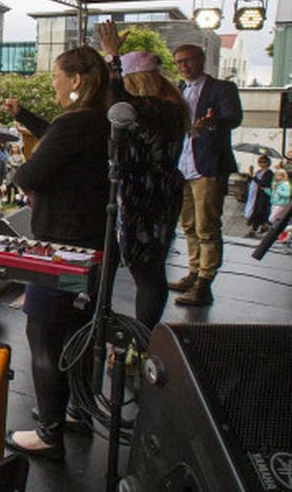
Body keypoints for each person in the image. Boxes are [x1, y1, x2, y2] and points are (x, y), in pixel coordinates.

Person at [1, 44, 111, 461]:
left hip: (60, 251)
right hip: (91, 246)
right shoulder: (101, 121)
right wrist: (25, 117)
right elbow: (59, 140)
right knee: (77, 330)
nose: (54, 86)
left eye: (56, 79)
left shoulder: (74, 122)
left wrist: (18, 169)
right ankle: (75, 411)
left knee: (45, 332)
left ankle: (48, 432)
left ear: (76, 81)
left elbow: (30, 174)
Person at [98, 23, 191, 330]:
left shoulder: (156, 109)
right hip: (159, 192)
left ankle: (141, 339)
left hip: (145, 193)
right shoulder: (171, 107)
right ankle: (142, 337)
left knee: (146, 270)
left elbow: (118, 105)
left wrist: (113, 56)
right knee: (147, 267)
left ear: (136, 81)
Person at [168, 43, 243, 306]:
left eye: (187, 61)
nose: (183, 66)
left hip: (208, 165)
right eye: (178, 62)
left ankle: (204, 281)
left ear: (200, 60)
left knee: (207, 226)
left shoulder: (221, 88)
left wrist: (215, 123)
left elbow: (234, 117)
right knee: (188, 224)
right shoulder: (179, 90)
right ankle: (193, 271)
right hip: (183, 165)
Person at [245, 155, 274, 236]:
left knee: (260, 212)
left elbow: (263, 184)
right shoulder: (258, 172)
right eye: (260, 162)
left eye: (264, 162)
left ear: (268, 163)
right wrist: (251, 174)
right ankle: (262, 227)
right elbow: (252, 181)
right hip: (255, 195)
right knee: (257, 211)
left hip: (263, 196)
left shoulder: (269, 173)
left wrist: (254, 177)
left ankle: (254, 229)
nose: (261, 164)